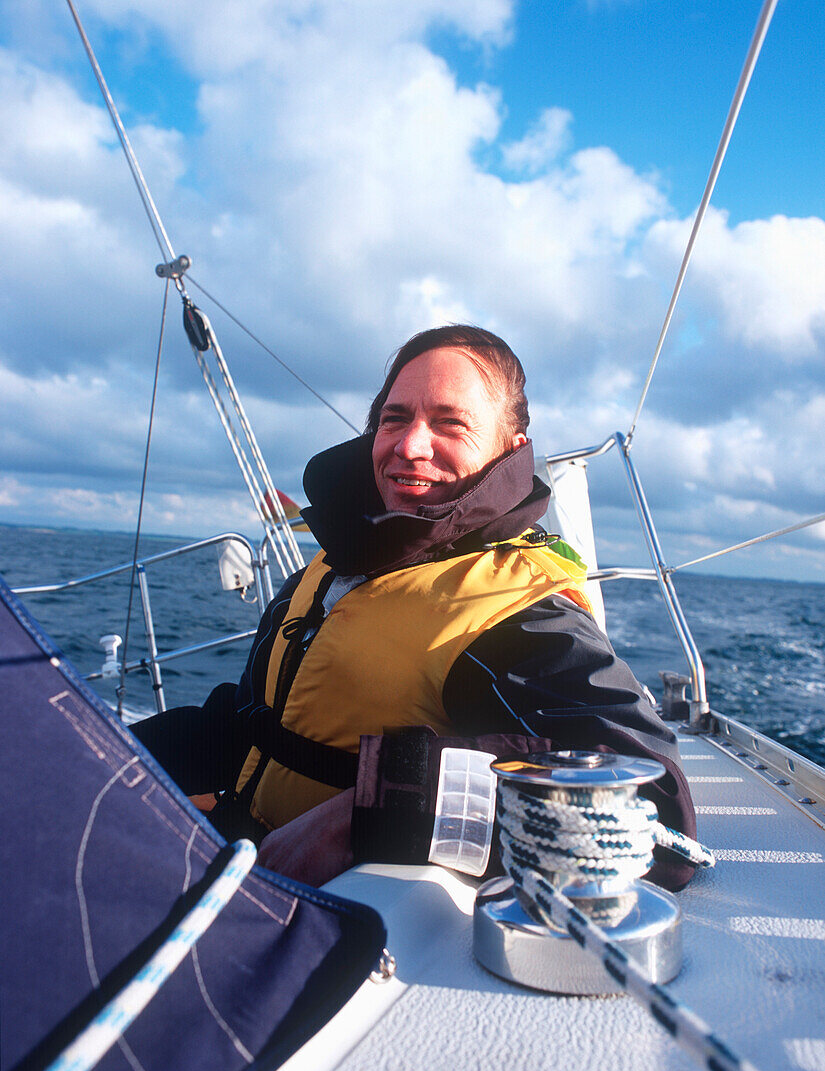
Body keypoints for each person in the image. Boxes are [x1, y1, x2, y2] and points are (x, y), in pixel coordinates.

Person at [133, 324, 696, 890]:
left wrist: (375, 812)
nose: (410, 445)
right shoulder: (335, 566)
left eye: (449, 423)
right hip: (238, 853)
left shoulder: (518, 617)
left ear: (510, 449)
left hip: (346, 915)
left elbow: (651, 809)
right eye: (395, 419)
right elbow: (260, 725)